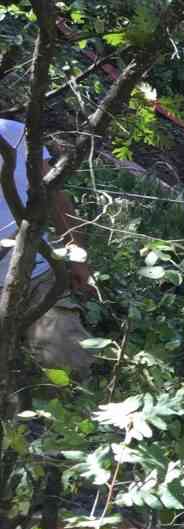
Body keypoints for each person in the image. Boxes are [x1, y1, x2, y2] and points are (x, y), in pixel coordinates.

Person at [0, 119, 93, 379]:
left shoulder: (13, 134)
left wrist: (78, 259)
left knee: (68, 358)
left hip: (35, 275)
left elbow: (54, 197)